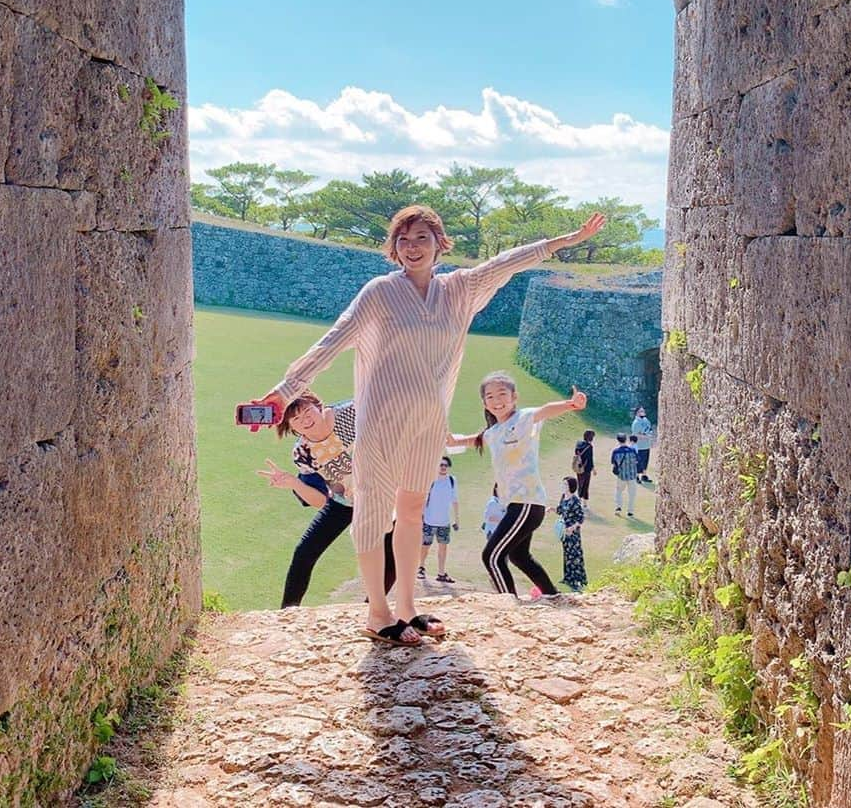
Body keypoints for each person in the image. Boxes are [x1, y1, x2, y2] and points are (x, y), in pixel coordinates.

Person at [251, 204, 606, 645]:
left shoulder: (459, 289)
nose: (412, 247)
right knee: (374, 514)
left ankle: (407, 606)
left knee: (412, 512)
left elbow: (505, 264)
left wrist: (562, 242)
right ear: (393, 248)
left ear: (440, 243)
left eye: (422, 238)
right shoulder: (379, 292)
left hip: (427, 422)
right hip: (380, 420)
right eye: (403, 239)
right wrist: (285, 392)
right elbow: (333, 340)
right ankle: (378, 614)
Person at [257, 392, 443, 641]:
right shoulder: (302, 452)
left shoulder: (350, 413)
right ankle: (287, 616)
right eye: (295, 419)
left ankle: (384, 613)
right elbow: (321, 500)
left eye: (307, 411)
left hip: (383, 495)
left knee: (392, 553)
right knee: (304, 552)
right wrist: (292, 482)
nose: (304, 420)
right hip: (344, 502)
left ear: (318, 405)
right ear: (290, 427)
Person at [450, 372, 588, 598]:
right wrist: (453, 441)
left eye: (502, 394)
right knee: (518, 556)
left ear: (515, 397)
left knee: (492, 556)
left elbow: (544, 410)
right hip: (515, 505)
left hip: (527, 502)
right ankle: (552, 596)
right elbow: (474, 440)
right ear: (484, 402)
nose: (497, 401)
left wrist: (571, 404)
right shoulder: (493, 432)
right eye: (490, 396)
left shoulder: (523, 419)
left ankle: (508, 603)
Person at [419, 456, 460, 584]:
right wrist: (421, 517)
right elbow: (423, 500)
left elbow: (455, 501)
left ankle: (441, 573)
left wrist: (457, 519)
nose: (443, 467)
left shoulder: (452, 481)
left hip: (444, 522)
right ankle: (421, 567)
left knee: (443, 548)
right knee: (425, 546)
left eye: (446, 465)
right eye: (441, 465)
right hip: (429, 520)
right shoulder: (431, 481)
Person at [555, 476, 587, 591]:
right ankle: (568, 578)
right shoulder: (563, 497)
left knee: (575, 556)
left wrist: (572, 528)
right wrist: (551, 509)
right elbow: (560, 510)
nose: (563, 487)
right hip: (564, 532)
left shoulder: (575, 500)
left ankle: (577, 581)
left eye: (565, 485)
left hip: (573, 533)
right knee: (567, 555)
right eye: (563, 484)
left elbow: (581, 518)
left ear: (571, 486)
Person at [611, 433, 639, 517]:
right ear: (626, 440)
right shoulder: (632, 450)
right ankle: (630, 511)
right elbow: (637, 461)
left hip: (621, 475)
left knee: (619, 491)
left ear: (618, 440)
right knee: (632, 494)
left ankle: (618, 507)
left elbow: (613, 463)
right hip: (632, 475)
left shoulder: (616, 452)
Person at [631, 406, 654, 484]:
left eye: (643, 411)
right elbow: (636, 434)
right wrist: (646, 436)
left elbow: (650, 429)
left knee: (645, 461)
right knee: (639, 461)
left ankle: (644, 475)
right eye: (641, 411)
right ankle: (636, 476)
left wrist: (648, 436)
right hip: (639, 446)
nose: (643, 412)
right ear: (637, 413)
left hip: (646, 445)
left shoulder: (646, 420)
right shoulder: (636, 423)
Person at [574, 429, 596, 507]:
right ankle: (584, 502)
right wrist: (593, 469)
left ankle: (579, 500)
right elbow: (590, 459)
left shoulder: (578, 443)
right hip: (586, 468)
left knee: (580, 483)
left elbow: (576, 453)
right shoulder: (589, 447)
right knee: (586, 485)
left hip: (578, 467)